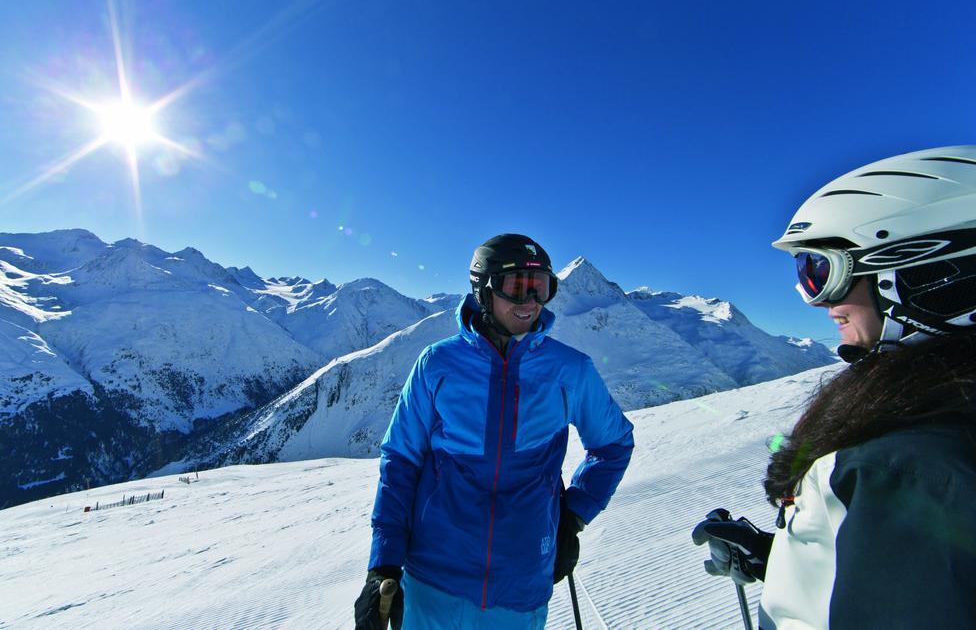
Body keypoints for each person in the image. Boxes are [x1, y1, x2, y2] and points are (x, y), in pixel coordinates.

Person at [692, 146, 976, 628]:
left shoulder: (909, 467)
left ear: (924, 270)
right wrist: (780, 557)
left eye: (824, 272)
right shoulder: (931, 418)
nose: (822, 305)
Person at [355, 233, 634, 630]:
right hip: (433, 584)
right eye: (517, 287)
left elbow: (614, 444)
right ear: (483, 290)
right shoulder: (438, 364)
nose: (531, 302)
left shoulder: (569, 370)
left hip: (519, 589)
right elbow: (401, 460)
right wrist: (382, 564)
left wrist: (573, 514)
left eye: (541, 289)